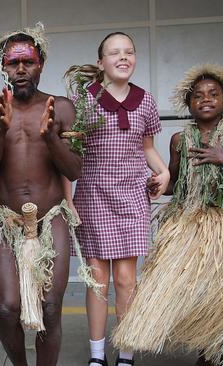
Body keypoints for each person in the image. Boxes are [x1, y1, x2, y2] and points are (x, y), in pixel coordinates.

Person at [112, 64, 223, 366]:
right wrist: (156, 183)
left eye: (213, 94)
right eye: (197, 96)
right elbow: (175, 183)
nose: (205, 99)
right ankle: (207, 351)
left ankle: (222, 350)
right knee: (199, 291)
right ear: (188, 103)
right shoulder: (180, 140)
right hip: (190, 223)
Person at [0, 23, 98, 366]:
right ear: (3, 66)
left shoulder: (62, 108)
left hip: (51, 218)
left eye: (28, 61)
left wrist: (49, 137)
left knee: (51, 308)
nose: (21, 69)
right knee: (6, 308)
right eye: (13, 63)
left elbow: (74, 170)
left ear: (41, 63)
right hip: (8, 222)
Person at [62, 32, 170, 366]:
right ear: (101, 62)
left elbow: (147, 147)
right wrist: (69, 202)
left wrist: (163, 173)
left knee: (127, 281)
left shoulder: (147, 101)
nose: (123, 58)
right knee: (98, 281)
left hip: (132, 196)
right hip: (93, 196)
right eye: (114, 53)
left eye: (129, 52)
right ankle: (97, 357)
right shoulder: (84, 100)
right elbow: (69, 155)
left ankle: (126, 354)